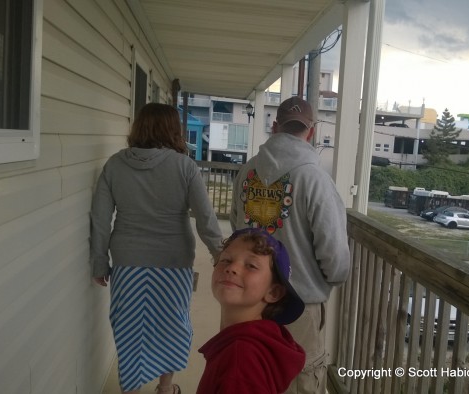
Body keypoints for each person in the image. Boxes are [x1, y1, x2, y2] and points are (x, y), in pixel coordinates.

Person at [90, 103, 223, 394]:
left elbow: (100, 218)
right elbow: (205, 218)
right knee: (172, 325)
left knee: (129, 328)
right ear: (173, 130)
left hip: (127, 260)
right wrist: (221, 256)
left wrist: (99, 262)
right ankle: (165, 387)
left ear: (139, 126)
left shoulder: (114, 164)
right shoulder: (185, 167)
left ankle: (132, 388)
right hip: (173, 261)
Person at [229, 96, 351, 393]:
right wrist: (329, 279)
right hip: (299, 306)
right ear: (311, 131)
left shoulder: (247, 172)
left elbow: (236, 228)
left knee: (252, 377)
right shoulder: (315, 179)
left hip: (251, 300)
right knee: (300, 380)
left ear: (275, 126)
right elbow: (334, 256)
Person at [197, 228, 306, 393]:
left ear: (273, 292)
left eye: (251, 265)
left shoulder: (240, 360)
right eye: (226, 260)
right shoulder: (252, 342)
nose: (232, 268)